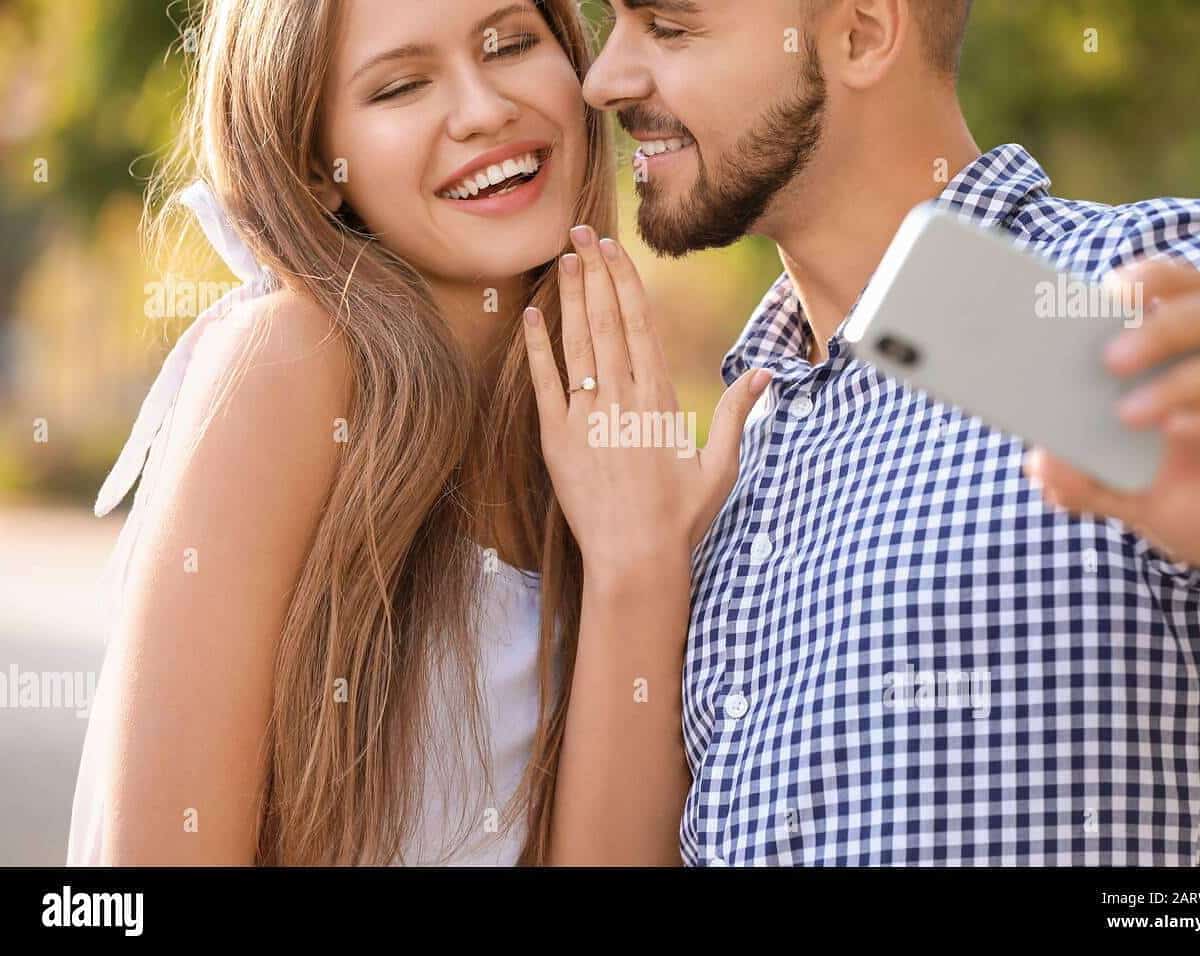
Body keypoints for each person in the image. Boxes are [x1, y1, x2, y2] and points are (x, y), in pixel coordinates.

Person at [67, 0, 767, 866]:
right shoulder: (288, 364)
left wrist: (639, 567)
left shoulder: (592, 437)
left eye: (511, 44)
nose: (482, 110)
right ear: (316, 166)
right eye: (400, 87)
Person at [575, 0, 1200, 865]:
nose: (602, 80)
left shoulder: (1149, 284)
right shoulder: (725, 467)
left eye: (670, 28)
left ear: (864, 32)